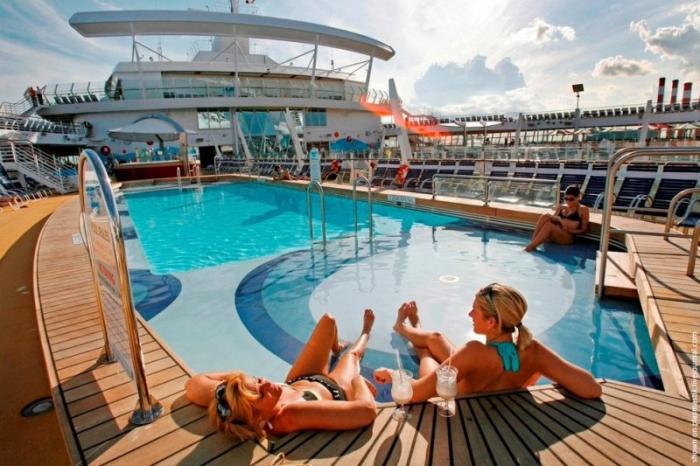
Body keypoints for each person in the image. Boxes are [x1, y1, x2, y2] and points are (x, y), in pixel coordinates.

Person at [373, 285, 602, 402]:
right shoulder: (532, 350)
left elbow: (416, 393)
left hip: (457, 399)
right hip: (482, 376)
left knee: (426, 353)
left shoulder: (473, 352)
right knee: (436, 338)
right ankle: (410, 327)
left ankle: (406, 326)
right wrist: (532, 375)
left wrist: (393, 374)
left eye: (475, 310)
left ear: (491, 322)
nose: (470, 314)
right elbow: (592, 388)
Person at [185, 310, 378, 441]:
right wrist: (358, 381)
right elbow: (366, 411)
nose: (267, 383)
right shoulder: (289, 416)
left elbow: (194, 384)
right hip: (335, 388)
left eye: (257, 380)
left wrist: (235, 380)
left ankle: (335, 347)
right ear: (257, 419)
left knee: (329, 321)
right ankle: (366, 332)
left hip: (299, 380)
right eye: (261, 393)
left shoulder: (232, 403)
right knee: (352, 355)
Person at [525, 185, 589, 252]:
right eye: (566, 198)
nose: (568, 201)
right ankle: (532, 244)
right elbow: (552, 219)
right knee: (545, 216)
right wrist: (559, 219)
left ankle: (529, 248)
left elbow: (583, 230)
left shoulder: (583, 209)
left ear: (578, 197)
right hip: (555, 233)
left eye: (571, 199)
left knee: (548, 225)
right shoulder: (561, 207)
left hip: (567, 237)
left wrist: (569, 230)